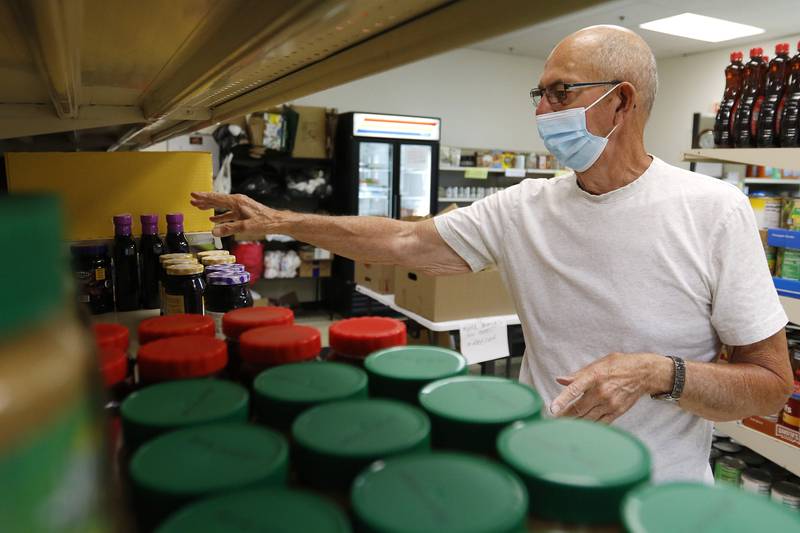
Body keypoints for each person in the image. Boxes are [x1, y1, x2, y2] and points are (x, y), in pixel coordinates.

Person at [191, 25, 793, 482]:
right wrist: (278, 219)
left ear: (621, 101)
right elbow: (406, 241)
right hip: (534, 469)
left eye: (560, 93)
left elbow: (769, 385)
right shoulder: (524, 206)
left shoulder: (713, 209)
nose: (540, 112)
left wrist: (662, 373)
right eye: (539, 93)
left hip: (654, 498)